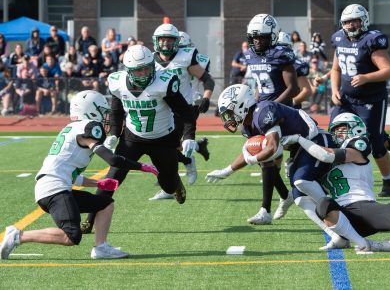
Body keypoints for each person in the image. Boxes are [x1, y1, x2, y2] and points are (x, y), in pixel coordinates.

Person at [0, 90, 159, 260]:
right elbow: (112, 159)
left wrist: (98, 184)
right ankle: (17, 236)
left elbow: (70, 174)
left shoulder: (71, 128)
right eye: (103, 112)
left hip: (53, 185)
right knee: (72, 235)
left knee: (105, 203)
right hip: (55, 188)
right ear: (91, 110)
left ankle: (101, 247)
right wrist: (141, 166)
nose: (106, 117)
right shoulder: (89, 126)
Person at [207, 84, 346, 250]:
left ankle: (342, 218)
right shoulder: (248, 125)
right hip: (299, 150)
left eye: (230, 112)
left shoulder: (263, 111)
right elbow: (258, 151)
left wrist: (253, 159)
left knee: (301, 181)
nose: (228, 118)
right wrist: (226, 171)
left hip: (316, 142)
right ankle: (336, 235)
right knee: (299, 197)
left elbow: (272, 147)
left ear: (242, 104)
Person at [80, 45, 196, 234]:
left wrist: (189, 136)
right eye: (138, 70)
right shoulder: (117, 83)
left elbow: (186, 112)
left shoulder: (164, 82)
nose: (143, 73)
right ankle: (90, 219)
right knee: (111, 179)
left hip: (163, 140)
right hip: (132, 139)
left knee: (167, 185)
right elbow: (117, 111)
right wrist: (113, 135)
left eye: (146, 68)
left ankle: (175, 184)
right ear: (128, 70)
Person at [289, 112, 390, 251]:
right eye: (335, 130)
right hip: (341, 216)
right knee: (323, 204)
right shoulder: (325, 164)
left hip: (364, 207)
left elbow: (327, 155)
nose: (337, 133)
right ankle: (364, 244)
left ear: (356, 127)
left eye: (342, 128)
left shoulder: (358, 144)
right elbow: (305, 187)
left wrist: (301, 139)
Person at [330, 4, 390, 197]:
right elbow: (336, 69)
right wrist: (334, 89)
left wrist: (365, 77)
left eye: (354, 21)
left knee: (375, 142)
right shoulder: (338, 39)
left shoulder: (371, 40)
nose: (351, 25)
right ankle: (337, 179)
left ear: (364, 21)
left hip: (372, 99)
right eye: (347, 22)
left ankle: (389, 181)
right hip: (346, 99)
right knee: (334, 135)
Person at [241, 14, 300, 224]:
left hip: (281, 111)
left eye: (262, 37)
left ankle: (266, 210)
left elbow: (294, 88)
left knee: (269, 159)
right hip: (262, 109)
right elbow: (259, 85)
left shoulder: (281, 54)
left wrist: (275, 108)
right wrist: (256, 104)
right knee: (266, 159)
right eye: (254, 37)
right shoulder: (250, 55)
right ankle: (285, 196)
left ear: (273, 36)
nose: (257, 41)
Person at [149, 30, 211, 201]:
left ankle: (171, 186)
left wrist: (205, 97)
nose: (166, 44)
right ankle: (189, 159)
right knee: (163, 148)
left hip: (183, 109)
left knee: (166, 149)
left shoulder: (188, 57)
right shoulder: (150, 60)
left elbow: (207, 79)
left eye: (170, 40)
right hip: (160, 110)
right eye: (162, 40)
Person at [276, 31, 311, 109]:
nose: (279, 50)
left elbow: (307, 90)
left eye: (281, 47)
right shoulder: (268, 62)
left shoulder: (296, 64)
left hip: (290, 109)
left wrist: (292, 102)